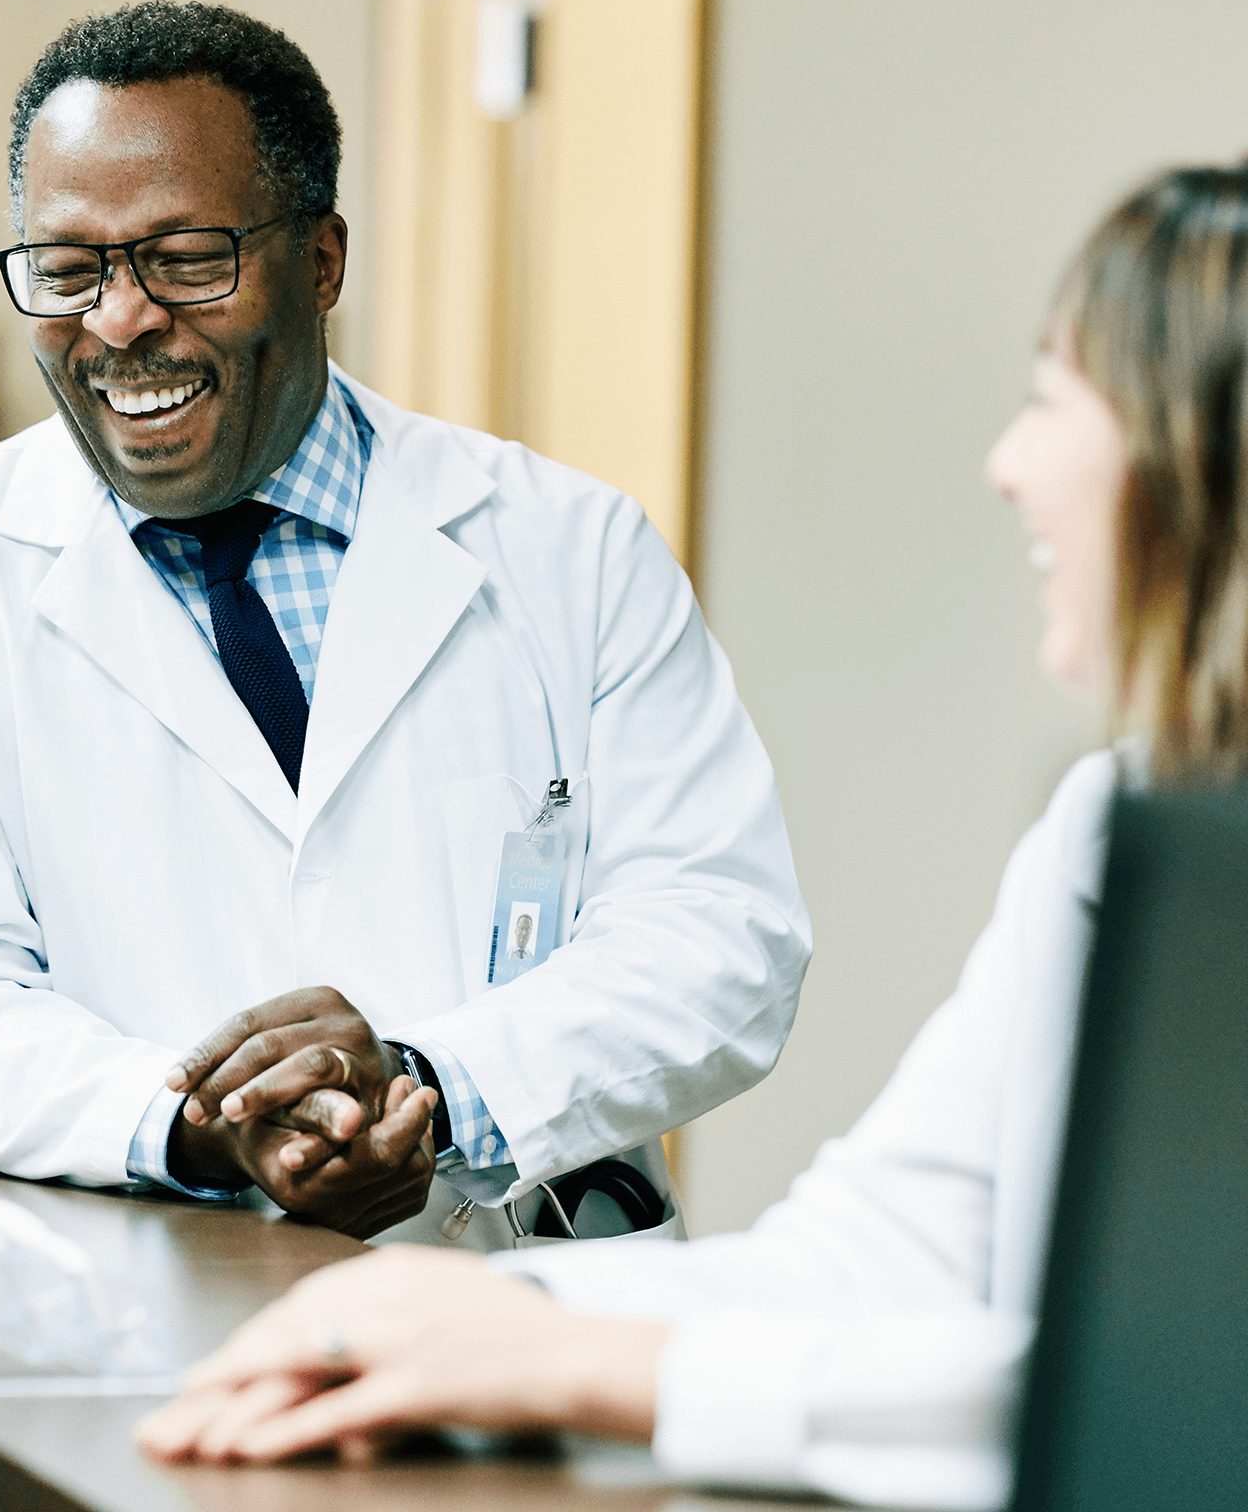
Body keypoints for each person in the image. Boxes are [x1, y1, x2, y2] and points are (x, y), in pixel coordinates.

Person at [138, 160, 1248, 1507]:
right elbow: (882, 1249)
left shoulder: (576, 548)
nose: (1006, 465)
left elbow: (1167, 1379)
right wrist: (469, 1316)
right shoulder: (1120, 821)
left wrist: (577, 1368)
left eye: (1057, 398)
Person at [0, 1, 810, 1250]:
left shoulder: (569, 548)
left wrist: (426, 1086)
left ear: (324, 261)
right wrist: (197, 1123)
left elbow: (724, 935)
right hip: (141, 1313)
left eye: (186, 258)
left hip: (518, 1304)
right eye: (70, 271)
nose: (119, 321)